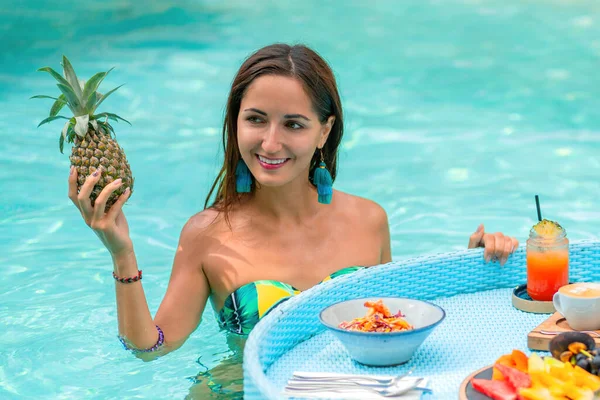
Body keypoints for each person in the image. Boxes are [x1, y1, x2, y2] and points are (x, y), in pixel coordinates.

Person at [67, 43, 519, 396]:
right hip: (240, 392)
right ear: (236, 123)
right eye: (256, 120)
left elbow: (391, 328)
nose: (269, 142)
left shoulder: (368, 220)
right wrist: (122, 254)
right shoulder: (206, 234)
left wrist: (472, 269)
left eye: (294, 124)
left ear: (325, 131)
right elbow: (151, 348)